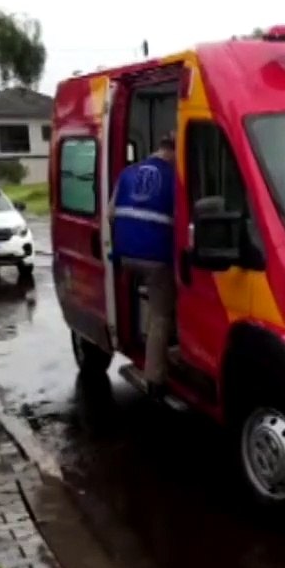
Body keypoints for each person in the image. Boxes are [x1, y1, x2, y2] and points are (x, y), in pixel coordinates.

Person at [110, 134, 176, 395]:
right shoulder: (173, 177)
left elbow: (110, 213)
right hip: (157, 258)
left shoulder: (128, 172)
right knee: (162, 314)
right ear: (172, 152)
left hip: (126, 255)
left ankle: (139, 340)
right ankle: (155, 378)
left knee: (146, 299)